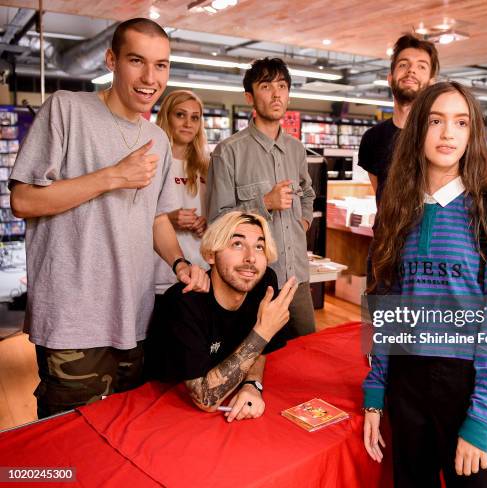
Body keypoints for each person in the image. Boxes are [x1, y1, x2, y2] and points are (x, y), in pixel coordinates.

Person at [9, 18, 209, 419]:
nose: (150, 77)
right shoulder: (67, 109)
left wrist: (180, 263)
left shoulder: (156, 139)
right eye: (137, 61)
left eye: (161, 65)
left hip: (134, 317)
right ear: (112, 60)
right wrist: (113, 176)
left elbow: (156, 219)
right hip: (73, 318)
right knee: (69, 443)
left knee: (120, 438)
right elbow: (23, 201)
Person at [362, 82, 487, 487]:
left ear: (472, 134)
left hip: (467, 386)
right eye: (436, 121)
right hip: (406, 384)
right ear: (418, 130)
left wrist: (482, 419)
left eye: (461, 122)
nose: (448, 133)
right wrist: (376, 395)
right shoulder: (397, 212)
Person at [147, 211, 297, 422]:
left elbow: (260, 351)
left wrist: (252, 385)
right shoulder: (183, 302)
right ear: (210, 255)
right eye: (237, 244)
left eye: (259, 247)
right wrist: (263, 331)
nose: (251, 258)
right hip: (166, 411)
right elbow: (205, 398)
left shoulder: (264, 283)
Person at [206, 57, 316, 338]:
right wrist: (264, 203)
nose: (277, 93)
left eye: (282, 85)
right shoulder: (228, 152)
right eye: (266, 86)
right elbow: (218, 221)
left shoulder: (296, 150)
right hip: (252, 284)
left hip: (298, 280)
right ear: (249, 97)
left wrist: (302, 223)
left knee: (308, 355)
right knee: (258, 365)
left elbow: (308, 194)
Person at [358, 34, 439, 204]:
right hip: (387, 231)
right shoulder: (372, 139)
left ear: (432, 83)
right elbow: (382, 198)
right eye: (403, 64)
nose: (411, 70)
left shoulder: (442, 137)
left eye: (421, 67)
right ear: (390, 78)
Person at [154, 90, 209, 295]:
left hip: (201, 270)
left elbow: (219, 213)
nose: (188, 123)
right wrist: (168, 218)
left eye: (195, 118)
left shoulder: (207, 166)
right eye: (180, 115)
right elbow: (130, 215)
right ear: (166, 116)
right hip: (161, 272)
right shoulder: (152, 161)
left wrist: (207, 223)